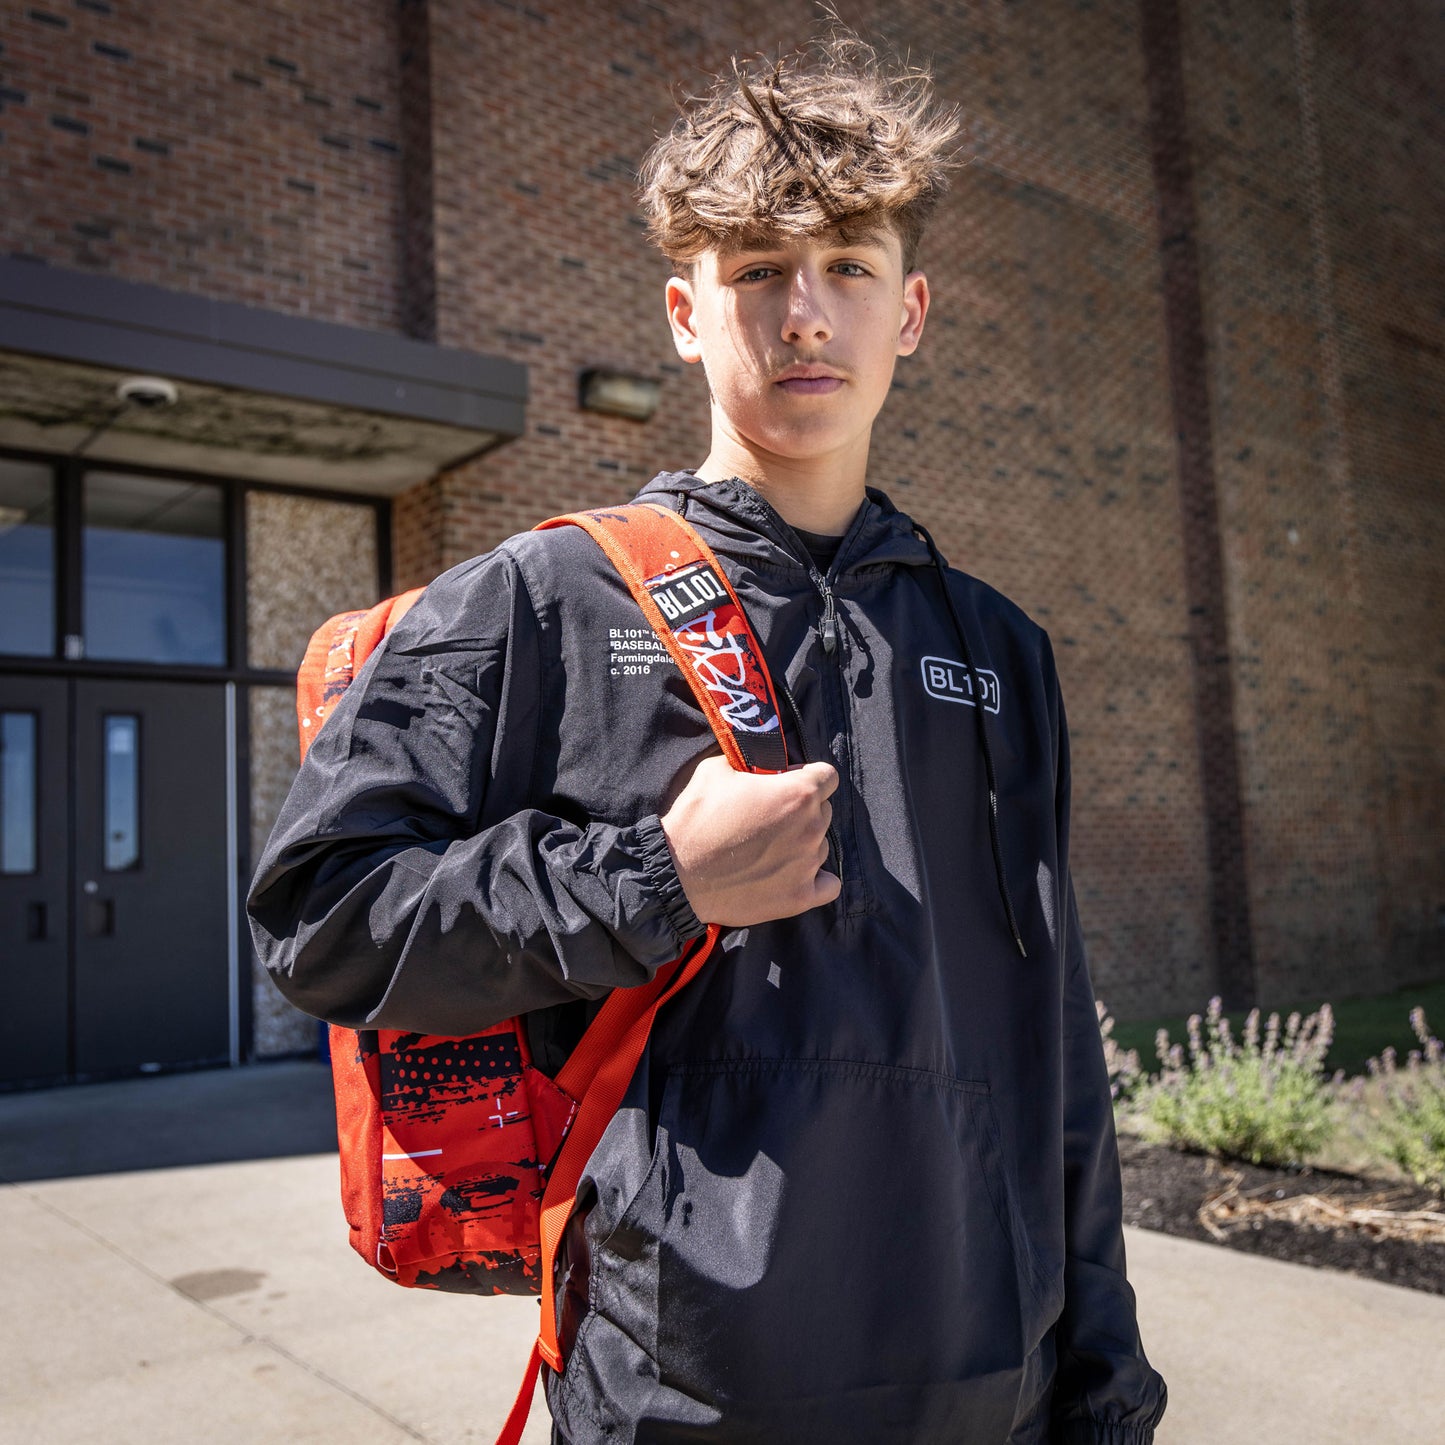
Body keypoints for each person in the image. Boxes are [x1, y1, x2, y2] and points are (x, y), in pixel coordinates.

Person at [248, 29, 1167, 1445]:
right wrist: (651, 879)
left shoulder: (996, 649)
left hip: (993, 1387)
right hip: (679, 1397)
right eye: (756, 275)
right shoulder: (541, 599)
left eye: (848, 270)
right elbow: (322, 918)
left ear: (909, 310)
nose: (806, 316)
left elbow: (1053, 1053)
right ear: (685, 312)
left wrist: (1102, 1387)